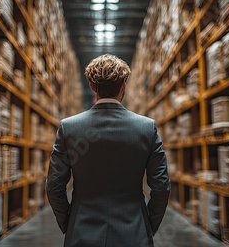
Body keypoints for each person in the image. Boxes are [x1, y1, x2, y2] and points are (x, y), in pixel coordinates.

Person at [46, 54, 170, 247]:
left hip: (81, 232)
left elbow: (54, 187)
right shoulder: (147, 128)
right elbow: (161, 187)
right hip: (134, 233)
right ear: (123, 85)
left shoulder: (69, 128)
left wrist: (70, 224)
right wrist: (147, 226)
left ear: (92, 86)